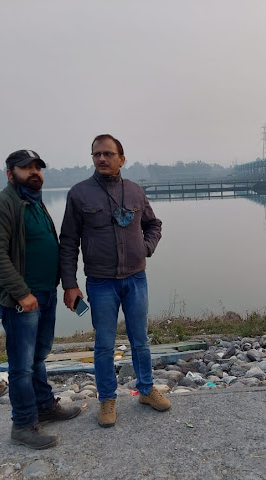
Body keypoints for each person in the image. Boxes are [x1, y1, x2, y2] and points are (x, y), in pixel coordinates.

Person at [59, 134, 169, 428]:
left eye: (108, 154)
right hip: (100, 282)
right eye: (97, 154)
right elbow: (68, 241)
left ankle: (146, 390)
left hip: (136, 278)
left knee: (140, 339)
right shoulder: (79, 194)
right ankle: (107, 399)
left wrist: (146, 248)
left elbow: (153, 224)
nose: (102, 159)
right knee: (104, 344)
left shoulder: (134, 191)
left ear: (122, 159)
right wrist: (69, 284)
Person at [0, 149, 81, 449]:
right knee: (22, 365)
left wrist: (65, 284)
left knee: (38, 356)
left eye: (38, 167)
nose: (34, 172)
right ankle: (23, 425)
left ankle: (44, 406)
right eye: (26, 168)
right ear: (10, 173)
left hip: (45, 293)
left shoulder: (34, 202)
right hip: (20, 300)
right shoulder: (0, 205)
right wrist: (22, 293)